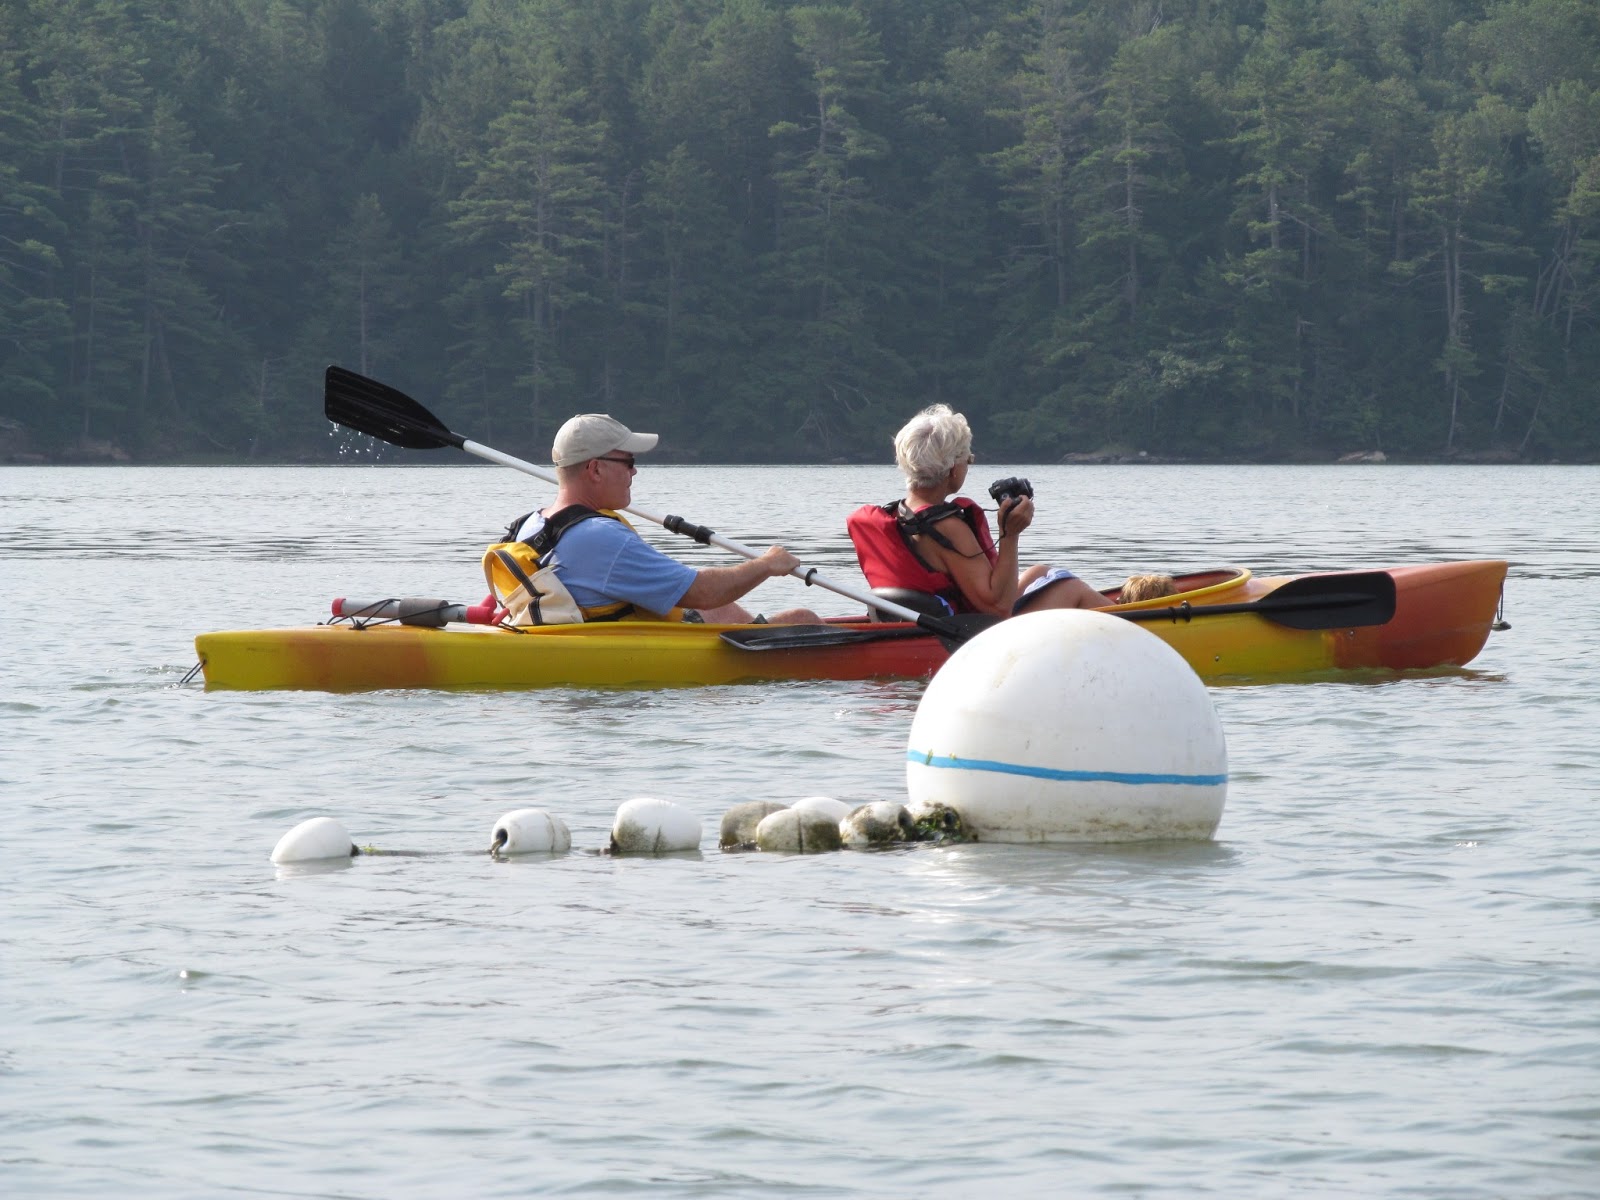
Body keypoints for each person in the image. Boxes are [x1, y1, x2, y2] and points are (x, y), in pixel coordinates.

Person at [505, 413, 822, 625]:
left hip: (583, 632)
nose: (634, 471)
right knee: (803, 619)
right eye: (628, 461)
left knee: (720, 610)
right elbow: (701, 592)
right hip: (624, 648)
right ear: (595, 469)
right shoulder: (600, 536)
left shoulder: (529, 526)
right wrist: (766, 564)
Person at [847, 404, 1110, 618]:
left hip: (937, 623)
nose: (969, 464)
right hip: (968, 638)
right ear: (953, 470)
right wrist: (1010, 534)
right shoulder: (947, 527)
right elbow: (997, 608)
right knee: (1070, 588)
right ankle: (1139, 633)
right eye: (966, 459)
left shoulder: (900, 515)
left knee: (1040, 573)